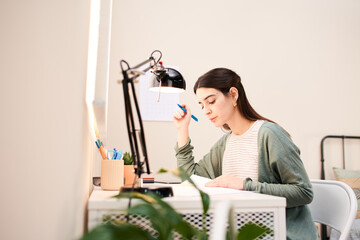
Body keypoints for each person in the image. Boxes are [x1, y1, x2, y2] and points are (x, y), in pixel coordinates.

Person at [173, 68, 318, 240]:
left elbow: (304, 192)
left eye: (211, 101)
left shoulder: (269, 135)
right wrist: (183, 129)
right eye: (202, 105)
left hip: (281, 234)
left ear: (233, 95)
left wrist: (243, 185)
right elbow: (191, 178)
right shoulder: (226, 143)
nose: (206, 111)